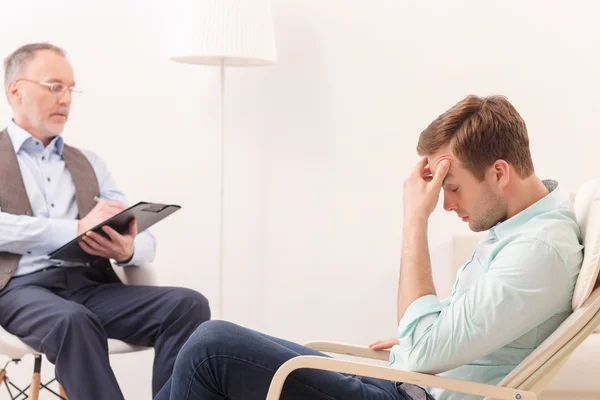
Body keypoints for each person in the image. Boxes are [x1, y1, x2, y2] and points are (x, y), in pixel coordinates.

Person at [154, 95, 583, 400]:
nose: (445, 203)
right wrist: (421, 335)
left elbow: (422, 352)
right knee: (203, 356)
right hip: (401, 382)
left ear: (499, 172)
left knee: (212, 348)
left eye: (452, 187)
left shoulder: (539, 250)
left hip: (415, 395)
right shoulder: (514, 230)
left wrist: (415, 220)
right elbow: (436, 341)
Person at [0, 43, 211, 399]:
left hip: (90, 285)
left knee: (187, 304)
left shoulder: (91, 163)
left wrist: (128, 249)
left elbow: (142, 238)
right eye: (55, 86)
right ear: (16, 90)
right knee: (73, 321)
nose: (65, 98)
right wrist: (74, 229)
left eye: (70, 88)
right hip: (22, 290)